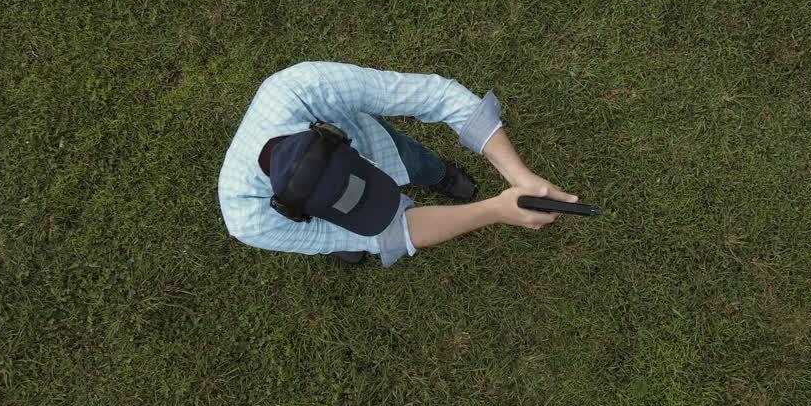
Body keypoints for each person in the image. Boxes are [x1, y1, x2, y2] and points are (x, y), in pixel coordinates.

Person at [217, 61, 580, 266]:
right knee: (344, 241)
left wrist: (519, 175)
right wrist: (495, 210)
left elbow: (440, 97)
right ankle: (341, 236)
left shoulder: (304, 87)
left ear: (334, 135)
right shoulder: (249, 220)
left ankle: (439, 175)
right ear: (292, 209)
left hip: (384, 147)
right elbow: (390, 232)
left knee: (416, 161)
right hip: (317, 221)